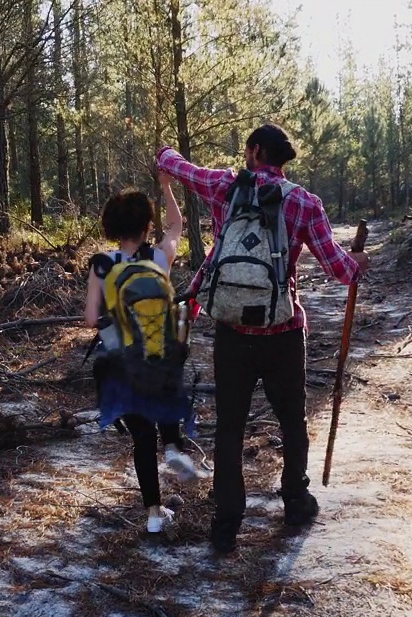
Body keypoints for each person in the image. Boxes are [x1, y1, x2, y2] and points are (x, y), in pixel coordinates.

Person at [156, 123, 371, 553]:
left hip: (232, 331)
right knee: (292, 421)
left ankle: (225, 525)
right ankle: (295, 500)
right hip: (283, 333)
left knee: (231, 427)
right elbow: (339, 269)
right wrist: (358, 260)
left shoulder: (224, 186)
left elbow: (178, 167)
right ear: (282, 161)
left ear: (255, 152)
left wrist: (164, 155)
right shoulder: (305, 203)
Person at [83, 174, 205, 534]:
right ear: (147, 224)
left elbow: (91, 318)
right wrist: (167, 188)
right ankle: (173, 447)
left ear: (112, 225)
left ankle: (154, 514)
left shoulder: (102, 263)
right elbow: (177, 225)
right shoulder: (159, 256)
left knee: (140, 437)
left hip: (121, 360)